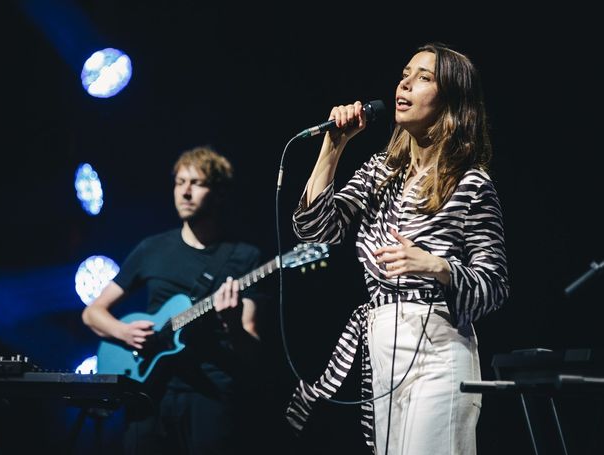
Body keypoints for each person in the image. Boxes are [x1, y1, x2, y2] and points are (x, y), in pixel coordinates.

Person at [285, 42, 509, 454]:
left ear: (452, 100)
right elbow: (315, 231)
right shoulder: (379, 173)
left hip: (439, 347)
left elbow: (493, 286)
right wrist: (333, 147)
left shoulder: (471, 183)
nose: (405, 83)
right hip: (382, 344)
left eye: (424, 77)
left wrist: (436, 265)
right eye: (405, 74)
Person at [82, 145, 266, 455]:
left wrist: (232, 325)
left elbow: (252, 348)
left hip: (211, 396)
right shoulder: (151, 249)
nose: (185, 192)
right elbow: (92, 313)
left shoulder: (244, 257)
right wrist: (123, 332)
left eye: (197, 183)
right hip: (148, 394)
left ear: (219, 194)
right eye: (180, 182)